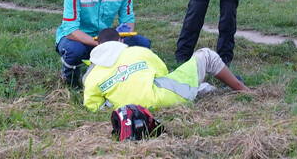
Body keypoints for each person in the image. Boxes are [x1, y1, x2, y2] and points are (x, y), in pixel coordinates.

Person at [84, 28, 248, 112]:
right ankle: (244, 90)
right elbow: (162, 72)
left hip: (131, 110)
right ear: (121, 40)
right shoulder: (138, 51)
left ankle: (203, 90)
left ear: (98, 45)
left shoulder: (91, 75)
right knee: (206, 55)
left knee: (193, 88)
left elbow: (93, 107)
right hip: (165, 98)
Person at [56, 0, 151, 87]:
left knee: (142, 44)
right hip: (78, 38)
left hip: (107, 37)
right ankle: (71, 82)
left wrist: (119, 37)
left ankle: (125, 79)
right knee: (74, 50)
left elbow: (128, 20)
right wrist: (102, 45)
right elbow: (70, 30)